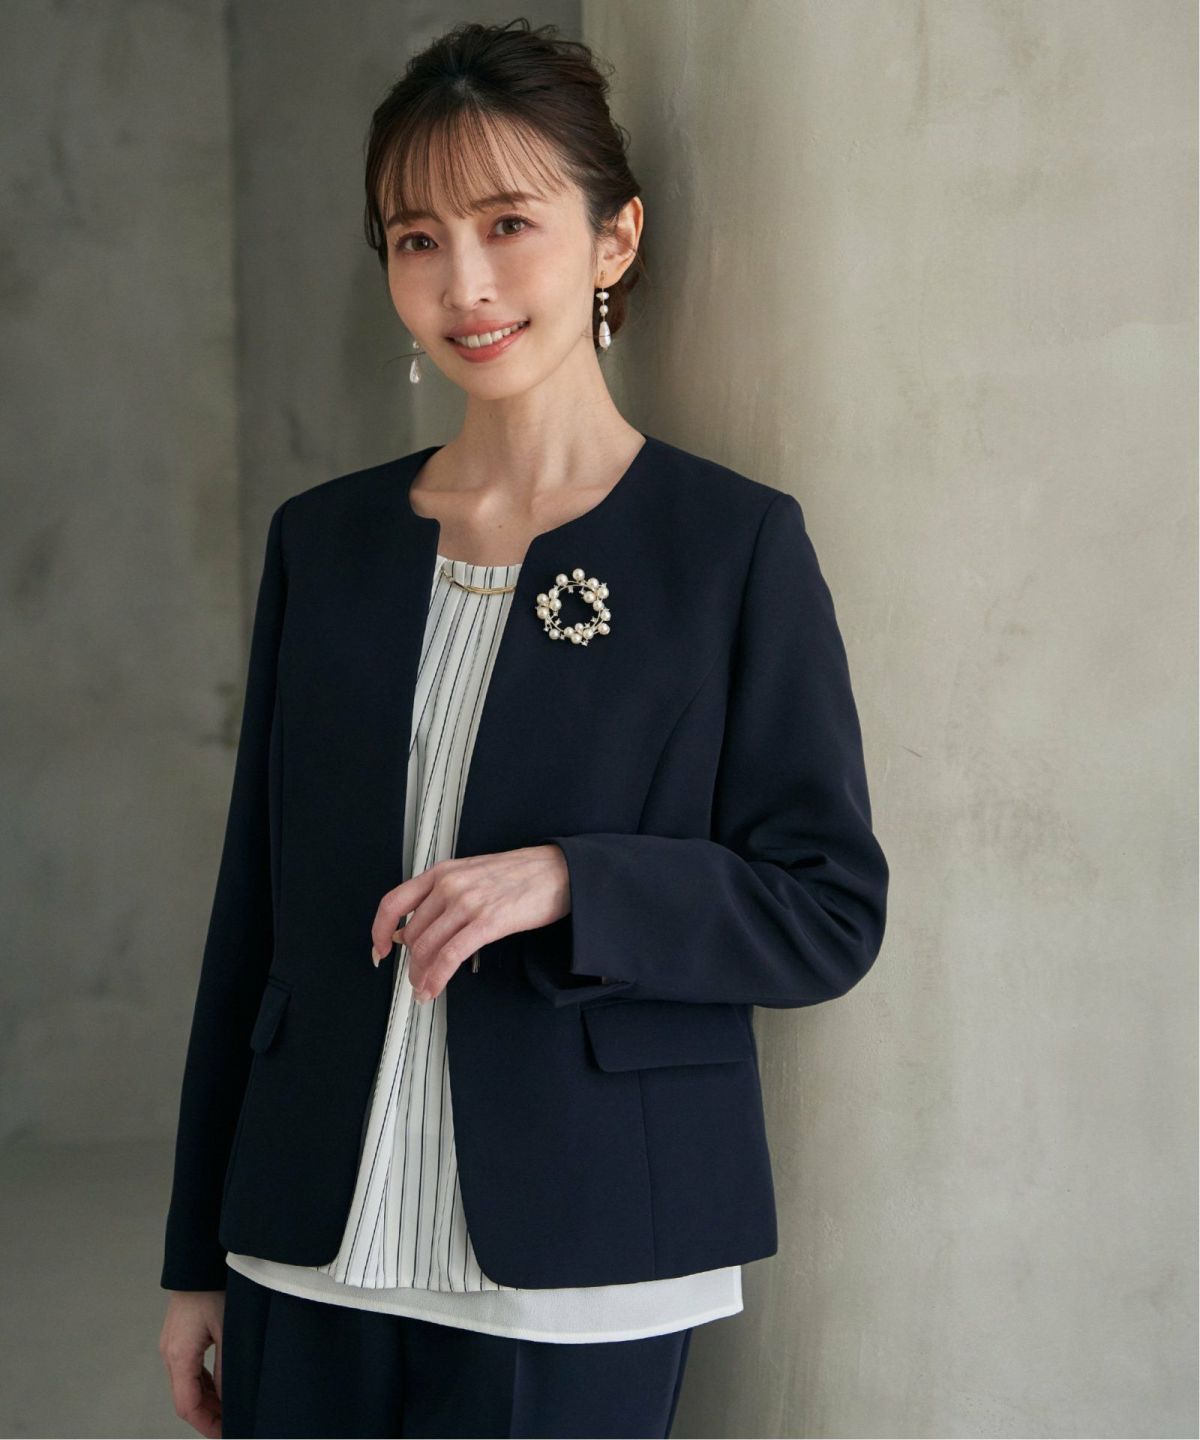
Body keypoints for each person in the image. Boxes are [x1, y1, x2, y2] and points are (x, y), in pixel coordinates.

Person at [157, 17, 889, 1439]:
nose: (465, 284)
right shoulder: (326, 544)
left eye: (508, 224)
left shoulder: (728, 547)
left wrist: (571, 880)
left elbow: (828, 911)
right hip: (307, 1241)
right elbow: (252, 918)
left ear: (615, 238)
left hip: (585, 1251)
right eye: (416, 239)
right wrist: (197, 1256)